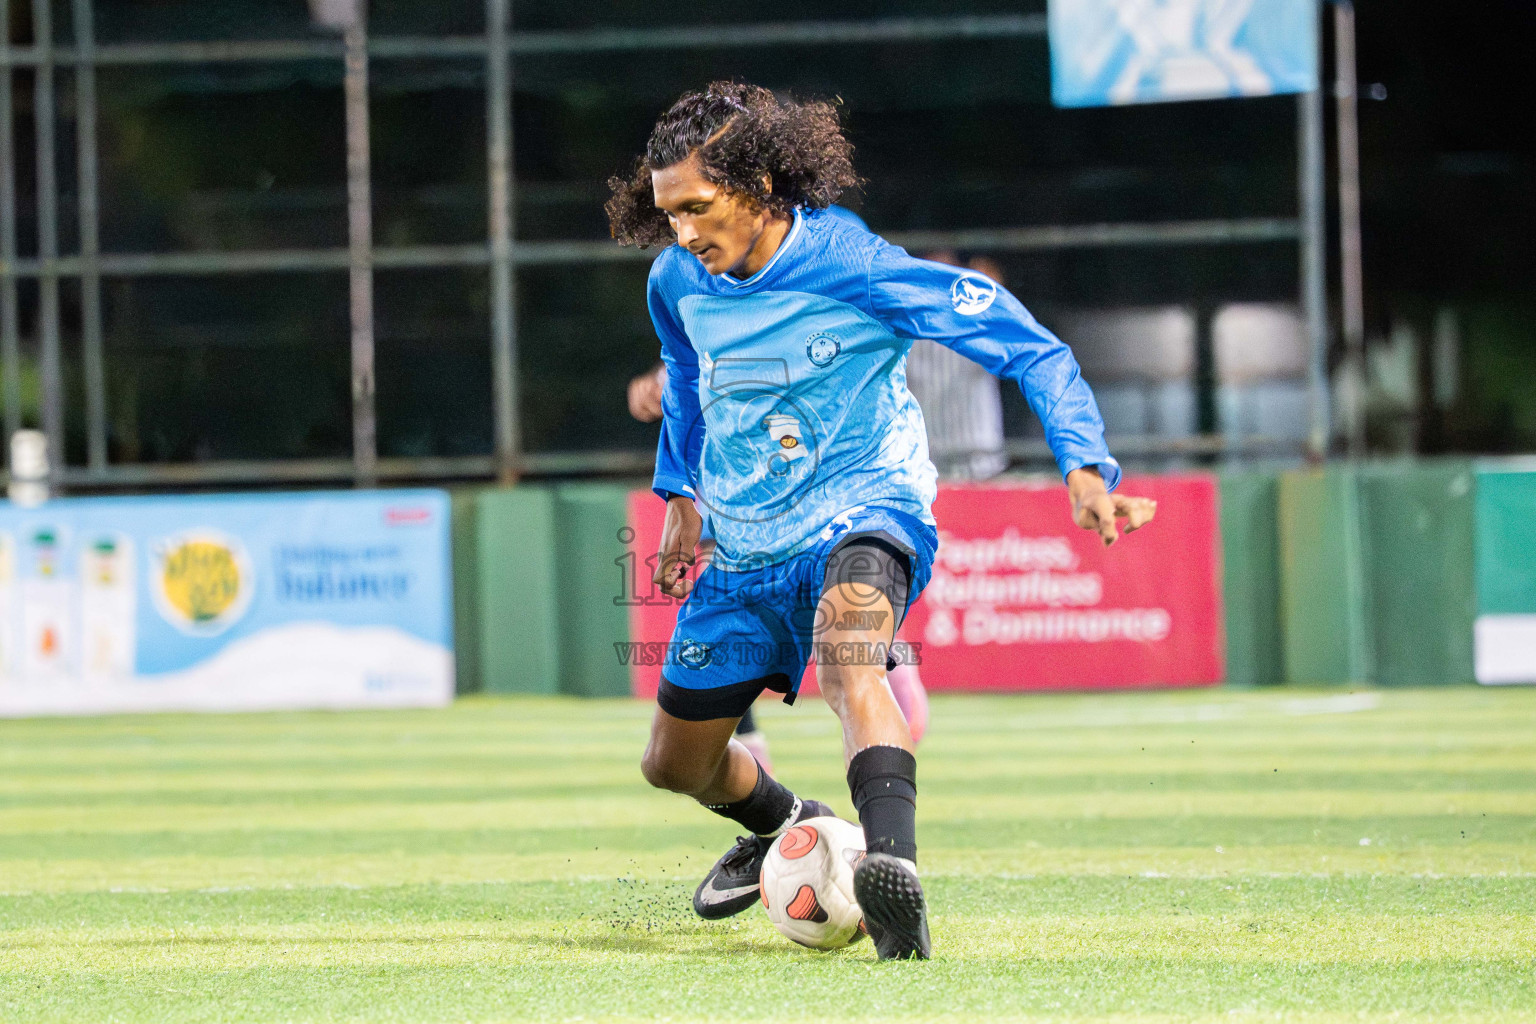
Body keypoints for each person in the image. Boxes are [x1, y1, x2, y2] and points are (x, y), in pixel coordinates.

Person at [605, 82, 1155, 961]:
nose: (682, 232)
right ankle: (792, 822)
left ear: (759, 185)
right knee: (674, 765)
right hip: (747, 546)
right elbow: (687, 383)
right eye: (669, 214)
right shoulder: (676, 279)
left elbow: (1028, 344)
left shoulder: (856, 268)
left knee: (849, 652)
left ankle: (891, 879)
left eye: (698, 209)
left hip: (868, 504)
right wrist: (680, 499)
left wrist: (1086, 468)